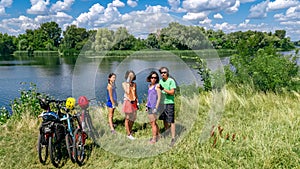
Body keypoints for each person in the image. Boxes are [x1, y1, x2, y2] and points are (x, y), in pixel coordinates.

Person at [158, 67, 177, 147]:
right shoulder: (160, 81)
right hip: (162, 103)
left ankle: (173, 138)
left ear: (167, 73)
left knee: (171, 121)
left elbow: (172, 92)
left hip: (169, 103)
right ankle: (167, 132)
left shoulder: (171, 81)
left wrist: (163, 89)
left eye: (164, 72)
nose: (163, 74)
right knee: (164, 119)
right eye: (161, 73)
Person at [122, 70, 138, 140]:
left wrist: (137, 102)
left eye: (132, 76)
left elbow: (135, 93)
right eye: (130, 76)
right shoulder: (124, 84)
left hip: (134, 101)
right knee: (127, 118)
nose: (131, 77)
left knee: (134, 117)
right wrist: (128, 82)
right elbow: (128, 92)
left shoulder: (134, 84)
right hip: (128, 101)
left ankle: (130, 130)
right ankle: (128, 134)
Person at [146, 71, 161, 144]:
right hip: (149, 106)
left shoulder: (157, 86)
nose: (153, 79)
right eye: (152, 77)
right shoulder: (149, 86)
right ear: (150, 78)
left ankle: (154, 139)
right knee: (152, 123)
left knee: (153, 123)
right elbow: (149, 97)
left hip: (154, 107)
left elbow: (159, 98)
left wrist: (156, 108)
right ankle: (159, 135)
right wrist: (146, 105)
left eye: (155, 78)